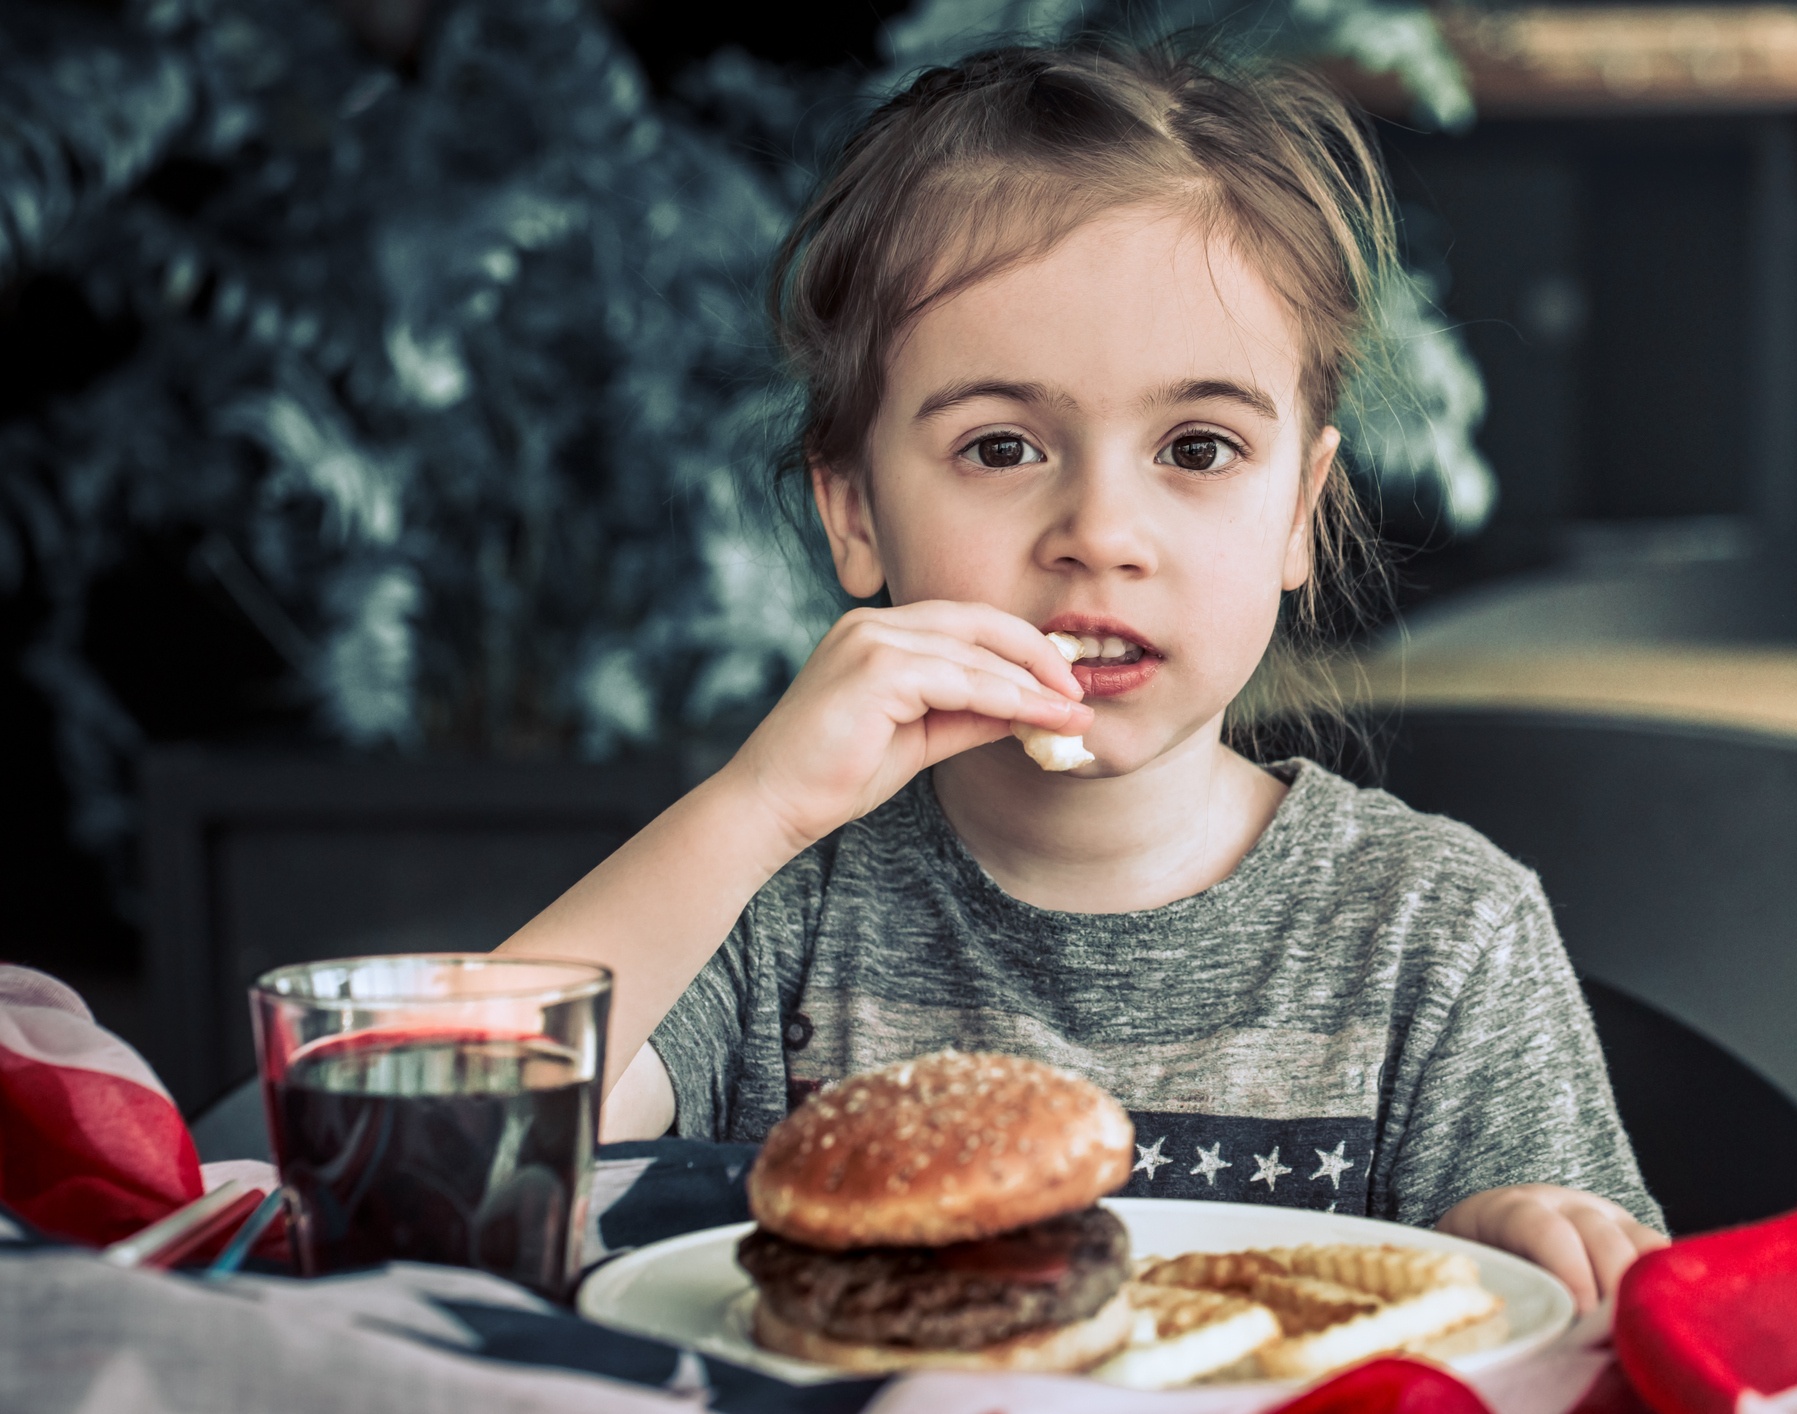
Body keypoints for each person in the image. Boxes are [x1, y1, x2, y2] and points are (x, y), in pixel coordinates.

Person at [500, 39, 1666, 1310]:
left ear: (1299, 512)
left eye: (1199, 447)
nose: (1100, 532)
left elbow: (1599, 1315)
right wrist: (754, 811)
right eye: (1001, 446)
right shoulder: (773, 907)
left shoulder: (1438, 932)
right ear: (857, 515)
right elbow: (466, 1147)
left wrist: (1529, 1233)